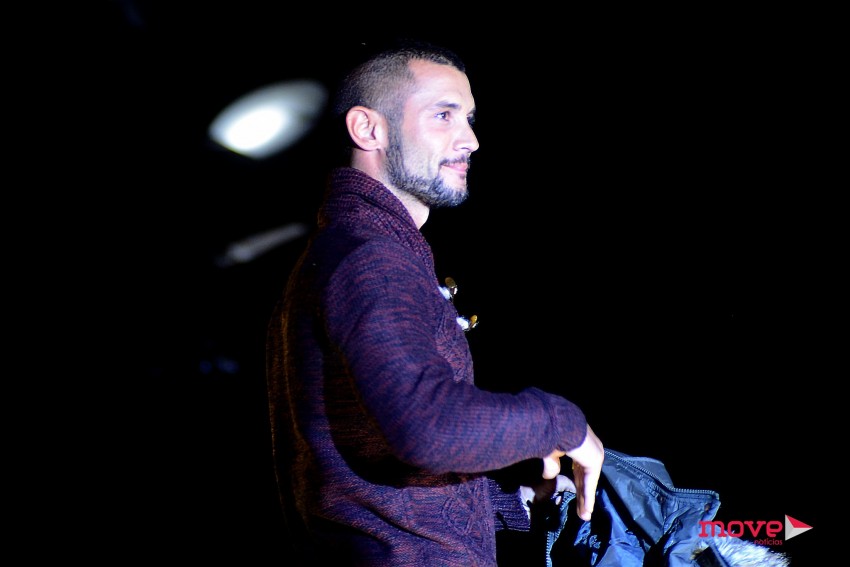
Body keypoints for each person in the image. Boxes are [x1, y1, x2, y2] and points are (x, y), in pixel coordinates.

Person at [265, 38, 605, 566]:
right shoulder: (370, 257)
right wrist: (560, 421)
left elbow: (363, 461)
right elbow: (427, 426)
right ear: (368, 129)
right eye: (444, 115)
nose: (470, 140)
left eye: (469, 119)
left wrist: (507, 504)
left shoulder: (351, 251)